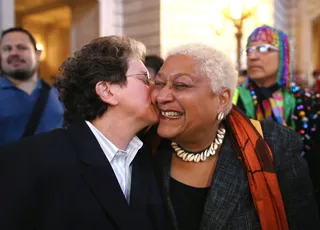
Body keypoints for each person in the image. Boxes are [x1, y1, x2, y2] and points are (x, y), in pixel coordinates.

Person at [0, 36, 164, 230]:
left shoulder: (149, 158)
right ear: (107, 91)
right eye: (145, 79)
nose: (157, 90)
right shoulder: (28, 159)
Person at [151, 42, 319, 230]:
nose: (161, 96)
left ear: (222, 100)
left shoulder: (273, 146)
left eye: (181, 85)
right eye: (158, 83)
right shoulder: (143, 148)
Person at [233, 25, 320, 159]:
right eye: (249, 50)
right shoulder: (232, 99)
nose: (252, 56)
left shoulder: (307, 102)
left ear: (284, 55)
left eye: (263, 49)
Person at [0, 27, 64, 145]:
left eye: (21, 47)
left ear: (38, 54)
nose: (14, 53)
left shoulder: (57, 94)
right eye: (7, 49)